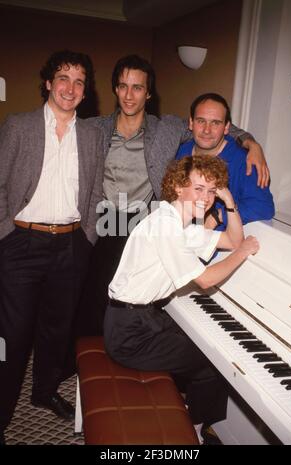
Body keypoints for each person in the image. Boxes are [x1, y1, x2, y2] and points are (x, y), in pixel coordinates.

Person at [79, 54, 268, 335]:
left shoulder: (166, 127)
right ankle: (92, 356)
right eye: (123, 86)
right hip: (104, 219)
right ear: (115, 89)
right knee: (94, 294)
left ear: (149, 93)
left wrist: (252, 144)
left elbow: (213, 125)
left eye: (138, 88)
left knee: (141, 294)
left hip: (143, 220)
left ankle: (129, 350)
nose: (129, 95)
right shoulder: (96, 128)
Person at [103, 154, 259, 435]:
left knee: (208, 343)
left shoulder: (182, 224)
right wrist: (245, 253)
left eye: (212, 191)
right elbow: (207, 278)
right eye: (198, 188)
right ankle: (195, 430)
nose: (207, 198)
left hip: (144, 317)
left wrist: (230, 203)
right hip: (128, 333)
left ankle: (185, 407)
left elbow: (233, 240)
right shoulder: (166, 226)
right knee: (214, 364)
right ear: (178, 186)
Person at [0, 50, 102, 444]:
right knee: (12, 334)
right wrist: (6, 233)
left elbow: (94, 192)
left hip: (71, 245)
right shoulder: (19, 126)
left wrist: (87, 236)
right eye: (63, 78)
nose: (70, 87)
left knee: (57, 331)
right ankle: (3, 412)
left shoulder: (93, 133)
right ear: (48, 83)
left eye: (79, 81)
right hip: (20, 242)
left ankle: (43, 394)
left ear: (85, 91)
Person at [176, 93, 275, 230]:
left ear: (227, 127)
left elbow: (263, 207)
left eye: (215, 123)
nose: (207, 130)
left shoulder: (245, 161)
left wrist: (218, 216)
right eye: (200, 121)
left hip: (219, 244)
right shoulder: (181, 151)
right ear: (191, 123)